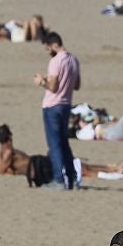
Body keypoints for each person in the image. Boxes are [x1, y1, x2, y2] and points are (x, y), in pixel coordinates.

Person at [36, 29, 81, 190]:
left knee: (54, 144)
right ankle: (72, 178)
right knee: (64, 143)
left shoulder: (56, 61)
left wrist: (42, 82)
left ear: (54, 45)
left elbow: (53, 87)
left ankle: (59, 180)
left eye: (49, 49)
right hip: (66, 104)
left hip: (53, 105)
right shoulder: (74, 59)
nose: (49, 52)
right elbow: (77, 85)